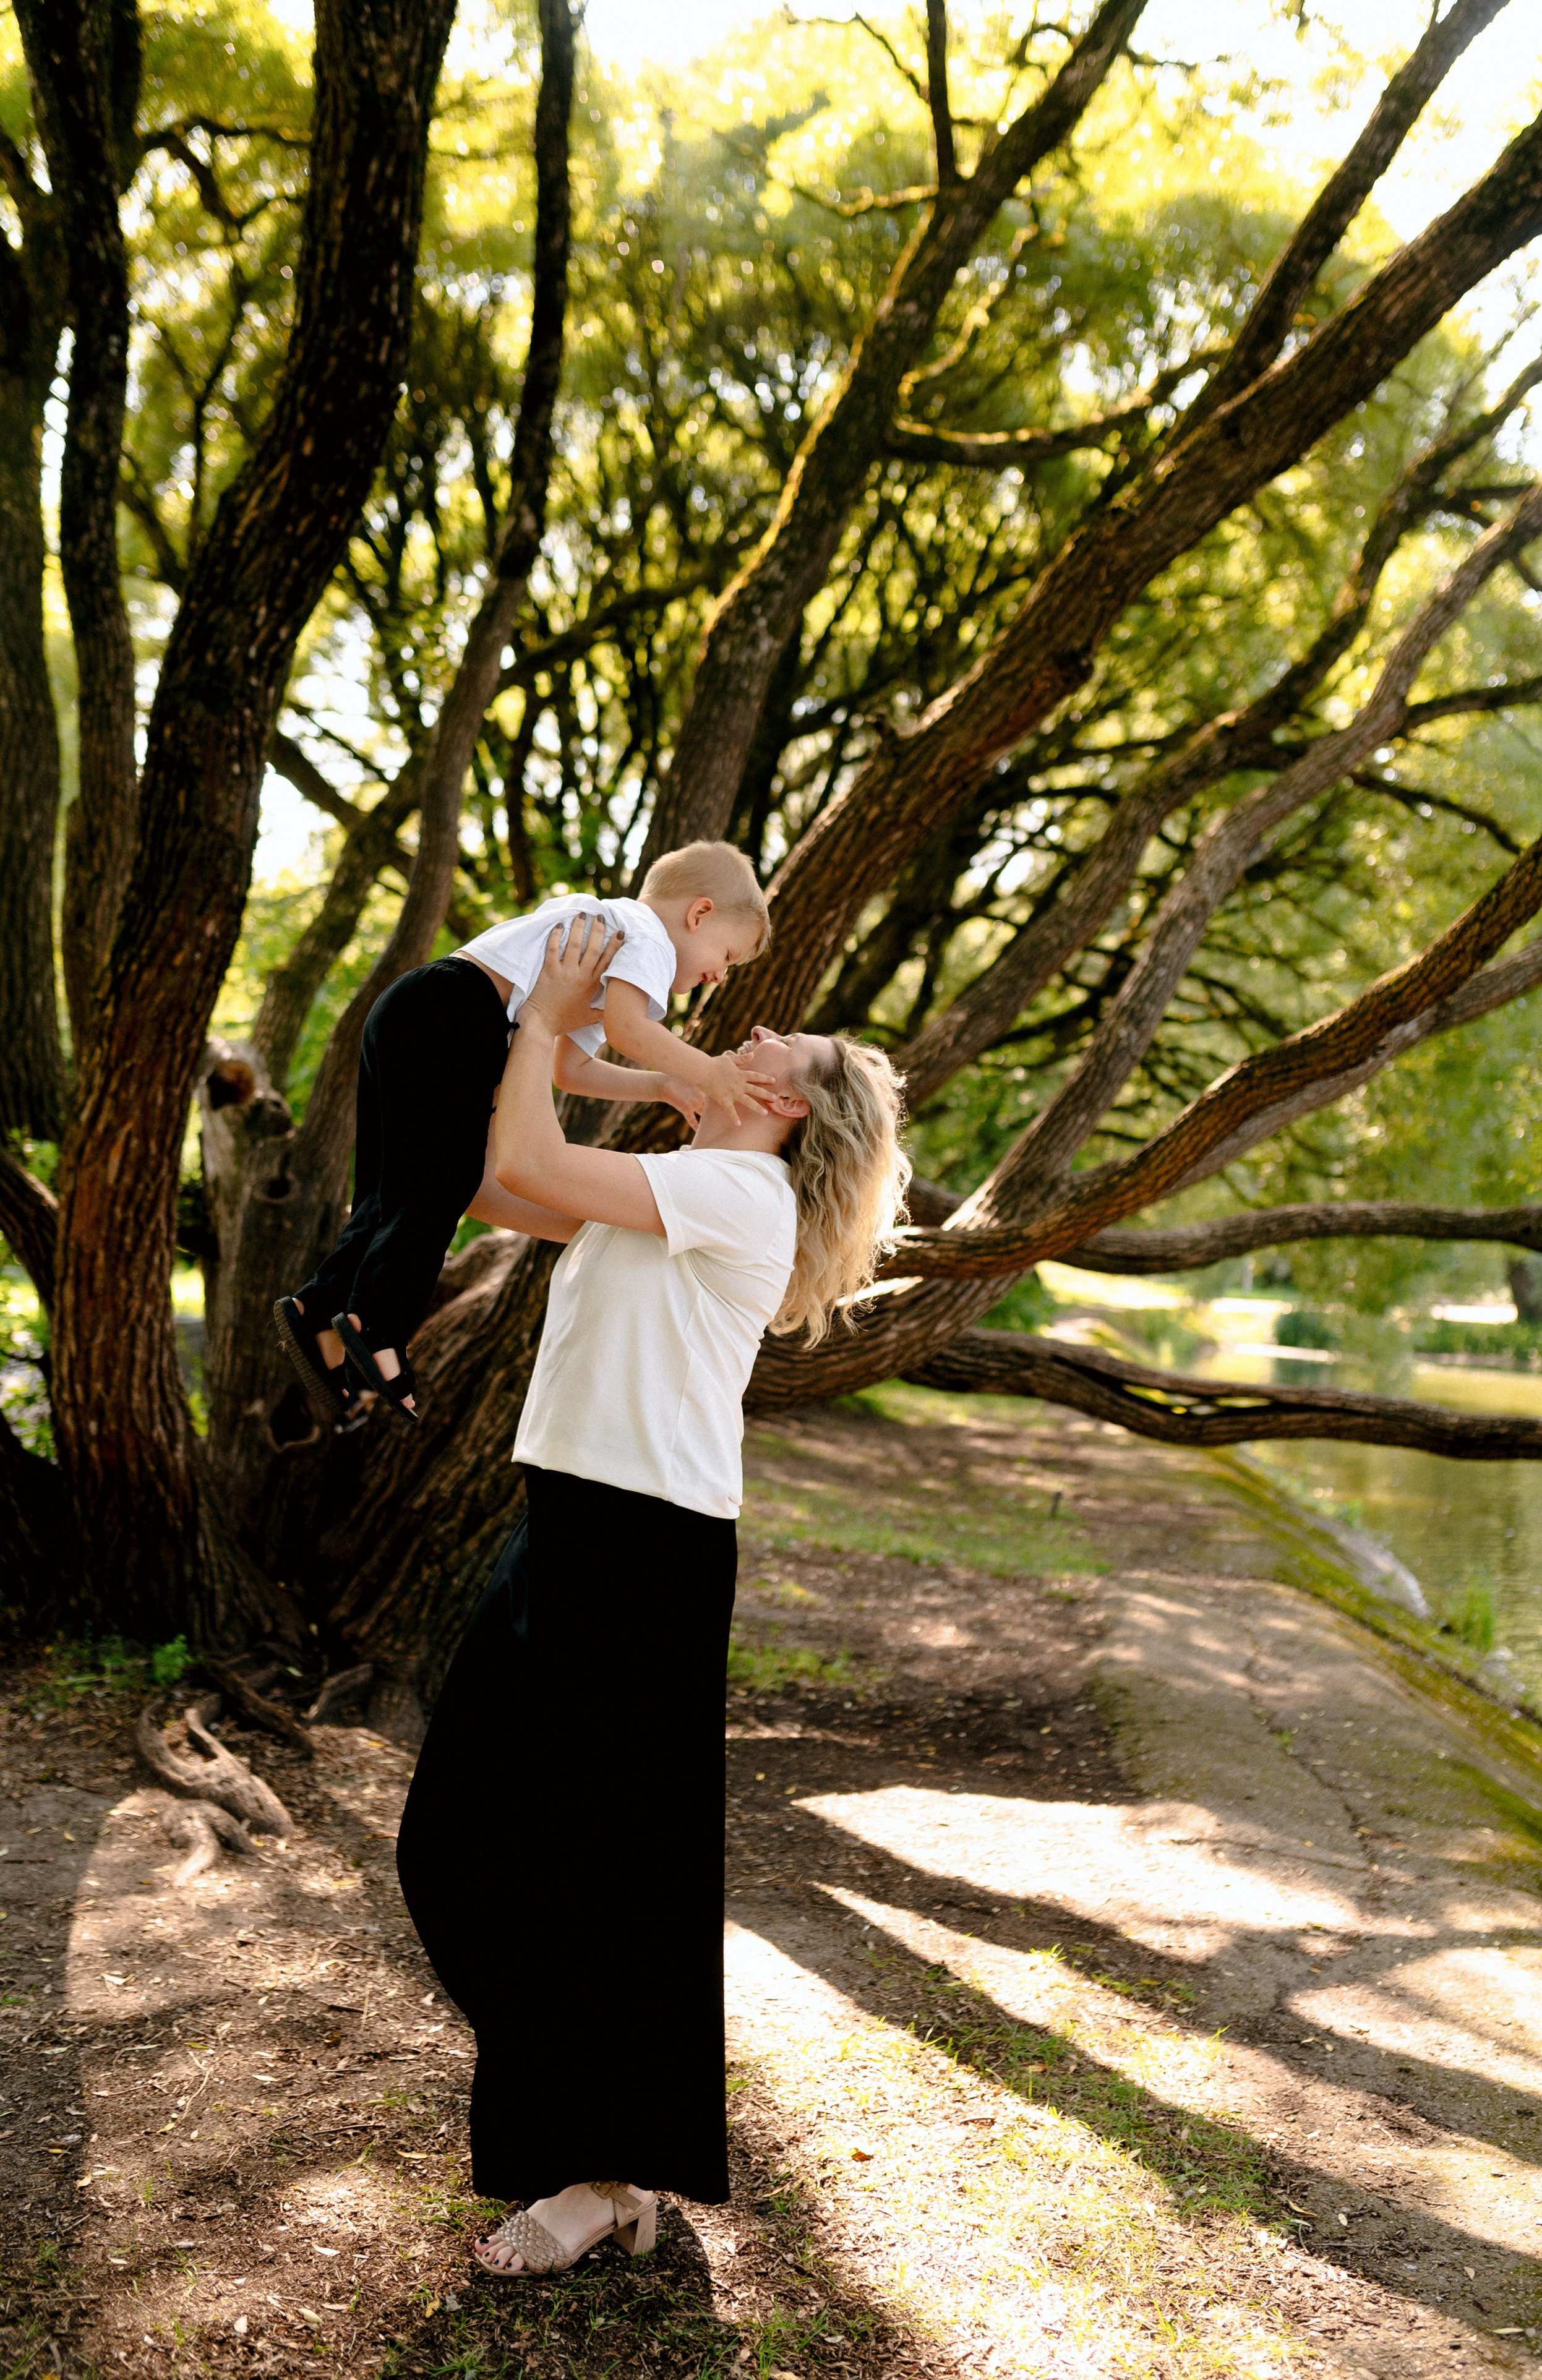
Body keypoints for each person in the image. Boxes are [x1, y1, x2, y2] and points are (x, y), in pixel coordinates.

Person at [395, 916, 909, 2278]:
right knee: (449, 1847)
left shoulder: (743, 1198)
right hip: (568, 1517)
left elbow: (521, 1156)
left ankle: (602, 2173)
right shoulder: (679, 1173)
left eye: (765, 1043)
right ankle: (588, 2132)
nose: (737, 1035)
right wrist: (533, 1037)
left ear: (784, 1103)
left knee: (604, 1872)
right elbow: (499, 1190)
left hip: (646, 1545)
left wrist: (552, 1019)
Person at [272, 841, 775, 1421]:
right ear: (700, 913)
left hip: (416, 1004)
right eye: (729, 956)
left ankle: (321, 1309)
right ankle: (378, 1325)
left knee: (393, 1183)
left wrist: (662, 1086)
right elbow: (630, 1031)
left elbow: (571, 1070)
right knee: (446, 1179)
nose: (721, 974)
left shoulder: (608, 946)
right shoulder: (646, 939)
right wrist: (707, 1070)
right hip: (458, 1012)